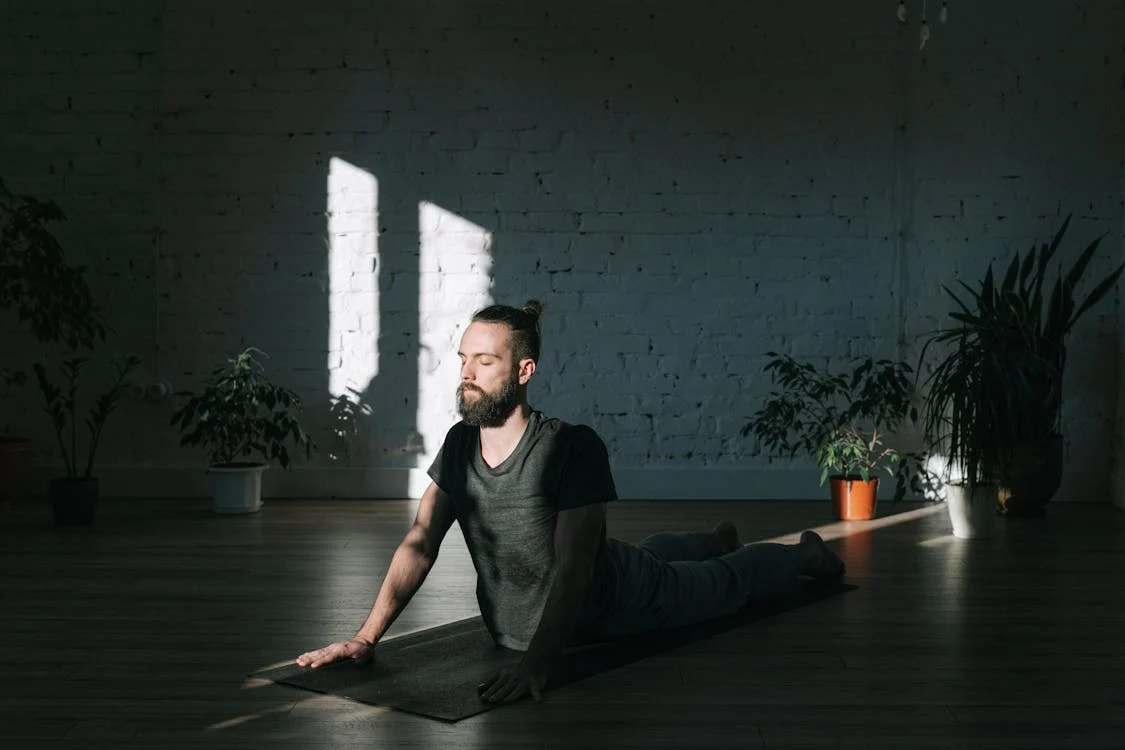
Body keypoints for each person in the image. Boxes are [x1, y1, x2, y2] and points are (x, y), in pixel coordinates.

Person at [296, 300, 845, 704]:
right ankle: (712, 539)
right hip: (518, 623)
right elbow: (419, 544)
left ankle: (803, 556)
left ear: (523, 371)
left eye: (484, 361)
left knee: (726, 582)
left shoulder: (570, 446)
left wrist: (538, 664)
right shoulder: (459, 444)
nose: (466, 373)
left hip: (621, 604)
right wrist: (365, 638)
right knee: (645, 550)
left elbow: (577, 567)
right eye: (464, 358)